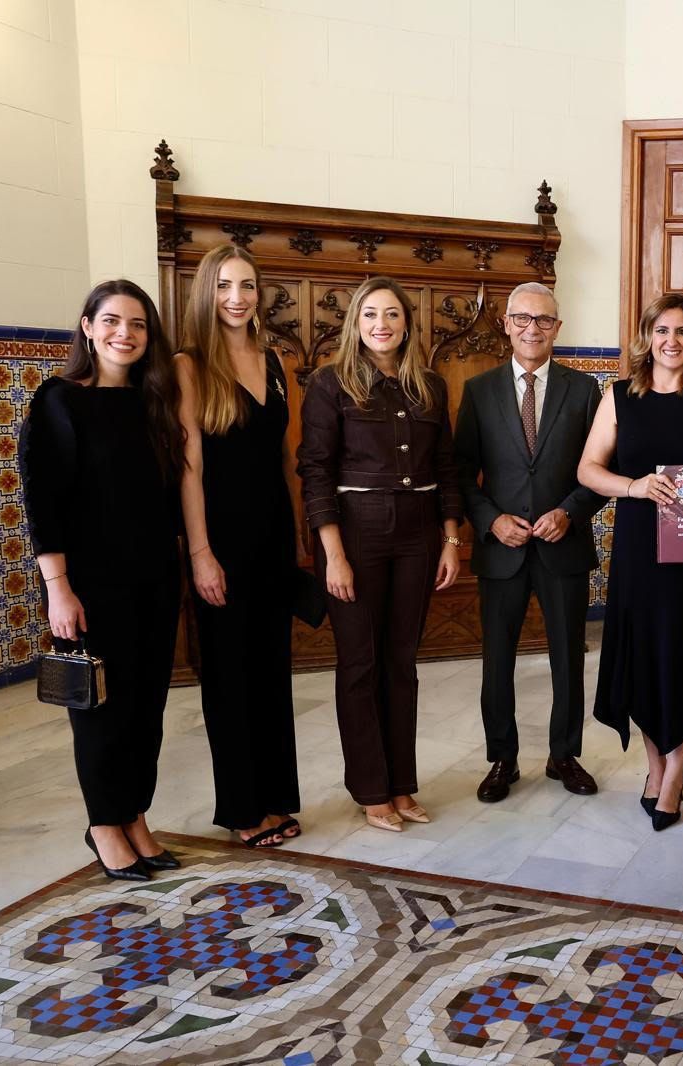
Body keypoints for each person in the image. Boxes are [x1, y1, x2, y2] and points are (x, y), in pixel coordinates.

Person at [20, 280, 185, 881]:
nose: (125, 333)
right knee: (99, 708)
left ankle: (135, 814)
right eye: (112, 321)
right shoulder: (59, 400)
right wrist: (57, 587)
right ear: (88, 326)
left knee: (147, 705)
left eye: (138, 324)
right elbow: (43, 501)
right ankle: (103, 823)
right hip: (87, 584)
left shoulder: (153, 401)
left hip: (152, 578)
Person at [296, 276, 463, 833]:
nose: (381, 325)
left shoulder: (430, 387)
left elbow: (445, 469)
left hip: (418, 531)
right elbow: (315, 470)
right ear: (355, 323)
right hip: (356, 533)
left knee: (402, 664)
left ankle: (401, 785)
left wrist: (450, 539)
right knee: (360, 664)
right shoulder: (329, 384)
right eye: (370, 315)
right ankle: (370, 789)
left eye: (392, 314)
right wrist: (333, 554)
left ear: (407, 323)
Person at [578, 295, 683, 831]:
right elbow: (588, 471)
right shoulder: (619, 396)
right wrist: (636, 486)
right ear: (647, 337)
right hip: (639, 553)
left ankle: (674, 776)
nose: (672, 341)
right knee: (646, 664)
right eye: (663, 330)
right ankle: (655, 768)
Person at [454, 282, 605, 804]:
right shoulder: (479, 390)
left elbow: (601, 470)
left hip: (563, 543)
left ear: (557, 327)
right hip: (502, 549)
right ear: (506, 324)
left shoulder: (585, 391)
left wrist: (569, 511)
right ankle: (503, 758)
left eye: (543, 320)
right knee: (498, 659)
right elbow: (460, 473)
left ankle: (565, 754)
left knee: (569, 655)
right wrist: (491, 521)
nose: (532, 329)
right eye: (522, 319)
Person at [174, 243, 302, 849]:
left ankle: (277, 797)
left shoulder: (275, 361)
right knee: (229, 676)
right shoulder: (189, 364)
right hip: (220, 538)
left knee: (272, 671)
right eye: (225, 285)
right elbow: (189, 468)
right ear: (207, 292)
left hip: (273, 535)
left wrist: (298, 538)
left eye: (247, 285)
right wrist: (200, 552)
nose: (236, 297)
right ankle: (242, 808)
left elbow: (285, 457)